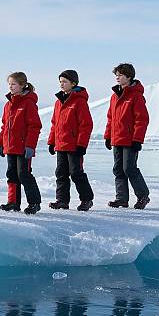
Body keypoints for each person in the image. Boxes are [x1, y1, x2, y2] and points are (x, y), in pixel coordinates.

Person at [104, 63, 150, 209]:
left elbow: (142, 119)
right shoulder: (114, 96)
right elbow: (110, 118)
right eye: (116, 75)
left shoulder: (136, 96)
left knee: (129, 168)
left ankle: (143, 196)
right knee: (118, 169)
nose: (117, 78)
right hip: (117, 139)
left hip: (130, 140)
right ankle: (122, 199)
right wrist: (108, 136)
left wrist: (137, 139)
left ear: (129, 77)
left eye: (120, 75)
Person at [47, 70, 94, 211]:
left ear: (73, 83)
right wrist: (51, 141)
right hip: (61, 145)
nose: (62, 84)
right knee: (60, 173)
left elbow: (86, 125)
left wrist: (81, 144)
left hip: (74, 146)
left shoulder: (79, 101)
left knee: (76, 173)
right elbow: (55, 123)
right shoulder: (58, 102)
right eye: (60, 81)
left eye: (65, 82)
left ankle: (86, 199)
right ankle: (62, 201)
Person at [0, 72, 42, 214]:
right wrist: (1, 143)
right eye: (9, 84)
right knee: (11, 174)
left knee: (24, 174)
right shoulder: (8, 104)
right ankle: (13, 202)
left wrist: (30, 146)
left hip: (23, 147)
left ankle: (34, 202)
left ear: (22, 85)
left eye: (14, 84)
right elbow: (4, 125)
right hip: (10, 146)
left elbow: (34, 126)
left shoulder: (28, 103)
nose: (10, 86)